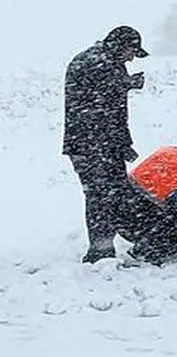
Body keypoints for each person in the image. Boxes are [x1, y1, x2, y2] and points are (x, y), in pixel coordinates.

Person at [62, 25, 149, 263]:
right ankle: (100, 251)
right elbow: (101, 104)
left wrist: (123, 143)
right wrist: (126, 83)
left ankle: (139, 239)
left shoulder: (108, 62)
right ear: (119, 46)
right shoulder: (94, 62)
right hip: (89, 144)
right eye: (132, 51)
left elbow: (116, 111)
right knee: (100, 195)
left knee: (117, 191)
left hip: (104, 143)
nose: (132, 57)